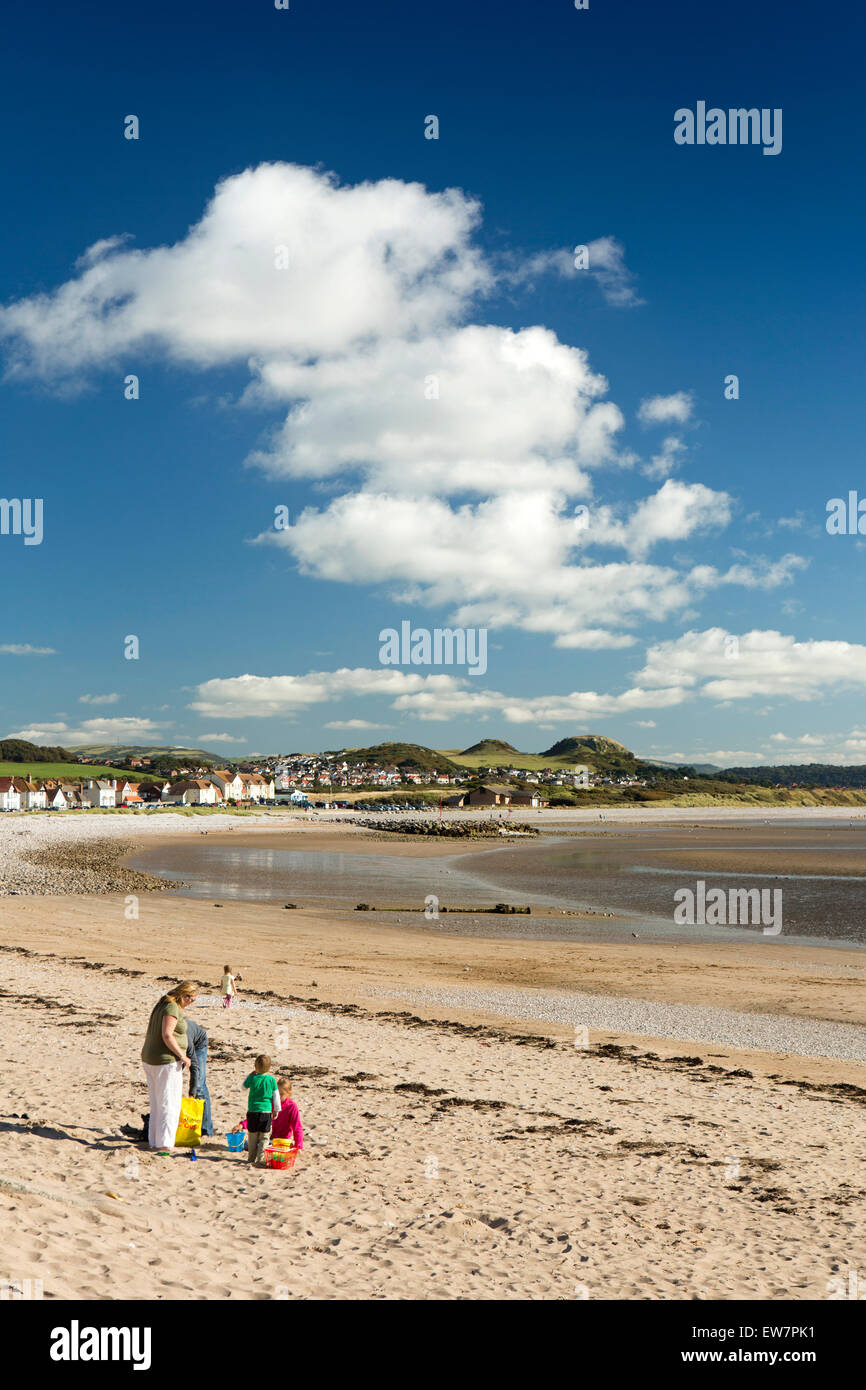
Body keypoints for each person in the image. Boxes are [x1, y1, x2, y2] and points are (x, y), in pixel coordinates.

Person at [140, 980, 197, 1153]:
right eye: (192, 998)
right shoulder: (172, 1007)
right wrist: (183, 1056)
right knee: (169, 1103)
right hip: (165, 1060)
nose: (192, 1002)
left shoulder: (162, 1003)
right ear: (184, 995)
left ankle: (155, 1141)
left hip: (151, 1057)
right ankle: (164, 1144)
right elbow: (167, 1035)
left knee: (157, 1102)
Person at [243, 1054, 279, 1166]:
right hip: (266, 1112)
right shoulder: (271, 1080)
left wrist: (249, 1075)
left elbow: (243, 1087)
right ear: (269, 1067)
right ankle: (260, 1158)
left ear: (255, 1066)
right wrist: (276, 1110)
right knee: (264, 1136)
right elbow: (276, 1096)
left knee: (252, 1135)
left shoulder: (253, 1078)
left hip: (253, 1111)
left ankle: (251, 1158)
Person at [186, 1018, 214, 1138]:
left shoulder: (186, 1040)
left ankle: (206, 1129)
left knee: (199, 1086)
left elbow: (195, 1068)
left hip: (199, 1043)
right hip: (185, 1042)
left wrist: (192, 1092)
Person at [271, 1078, 303, 1151]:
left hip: (285, 1141)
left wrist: (298, 1146)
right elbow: (259, 1115)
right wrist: (243, 1124)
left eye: (281, 1094)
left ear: (289, 1094)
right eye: (276, 1094)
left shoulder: (292, 1106)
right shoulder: (272, 1104)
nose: (278, 1097)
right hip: (272, 1139)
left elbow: (297, 1127)